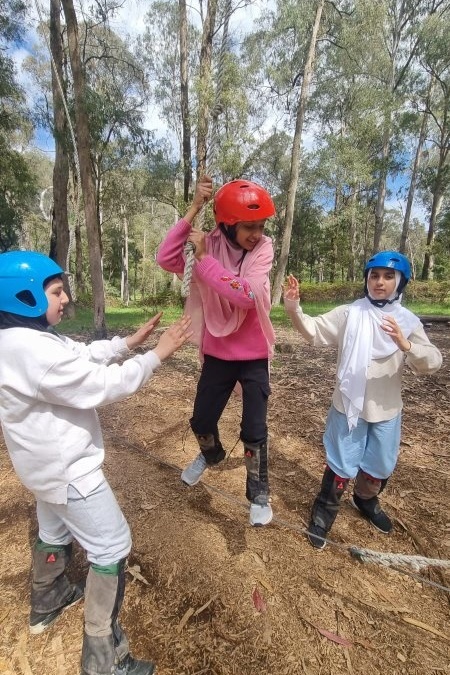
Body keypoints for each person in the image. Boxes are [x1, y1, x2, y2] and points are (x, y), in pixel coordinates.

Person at [0, 250, 193, 674]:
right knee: (111, 547)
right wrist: (155, 356)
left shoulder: (19, 340)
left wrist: (127, 343)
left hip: (42, 469)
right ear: (25, 298)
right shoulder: (33, 351)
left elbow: (77, 355)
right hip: (70, 470)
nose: (66, 297)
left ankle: (47, 598)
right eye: (56, 291)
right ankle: (105, 658)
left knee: (53, 527)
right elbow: (100, 385)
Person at [283, 251, 442, 550]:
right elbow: (314, 331)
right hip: (348, 404)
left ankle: (366, 500)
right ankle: (325, 510)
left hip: (387, 407)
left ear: (400, 282)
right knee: (342, 462)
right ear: (366, 279)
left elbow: (433, 361)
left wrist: (405, 344)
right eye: (374, 275)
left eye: (388, 276)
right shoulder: (350, 313)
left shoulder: (407, 321)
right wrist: (293, 307)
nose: (379, 282)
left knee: (381, 464)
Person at [156, 176, 277, 527]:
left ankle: (258, 492)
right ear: (227, 224)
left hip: (252, 353)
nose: (256, 233)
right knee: (202, 421)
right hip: (218, 353)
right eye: (248, 227)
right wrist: (194, 207)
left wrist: (205, 261)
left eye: (260, 225)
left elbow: (246, 295)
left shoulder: (263, 249)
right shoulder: (206, 241)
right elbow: (165, 258)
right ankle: (211, 455)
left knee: (254, 429)